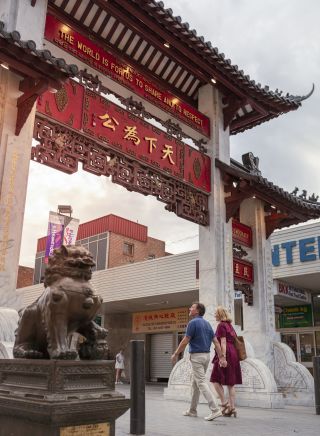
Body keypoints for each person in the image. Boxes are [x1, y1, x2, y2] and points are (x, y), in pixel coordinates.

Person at [171, 302, 227, 421]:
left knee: (201, 382)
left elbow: (185, 340)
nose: (189, 308)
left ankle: (215, 409)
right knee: (195, 384)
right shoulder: (207, 324)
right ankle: (192, 410)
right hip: (206, 356)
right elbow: (216, 342)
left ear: (197, 311)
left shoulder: (193, 323)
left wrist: (176, 353)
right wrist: (221, 357)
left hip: (196, 357)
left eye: (192, 307)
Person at [210, 306, 242, 417]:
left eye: (215, 313)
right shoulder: (230, 326)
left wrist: (222, 357)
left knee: (214, 379)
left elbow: (222, 342)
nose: (214, 315)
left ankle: (224, 403)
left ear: (220, 314)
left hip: (226, 353)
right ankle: (232, 408)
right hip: (233, 353)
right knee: (231, 383)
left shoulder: (221, 325)